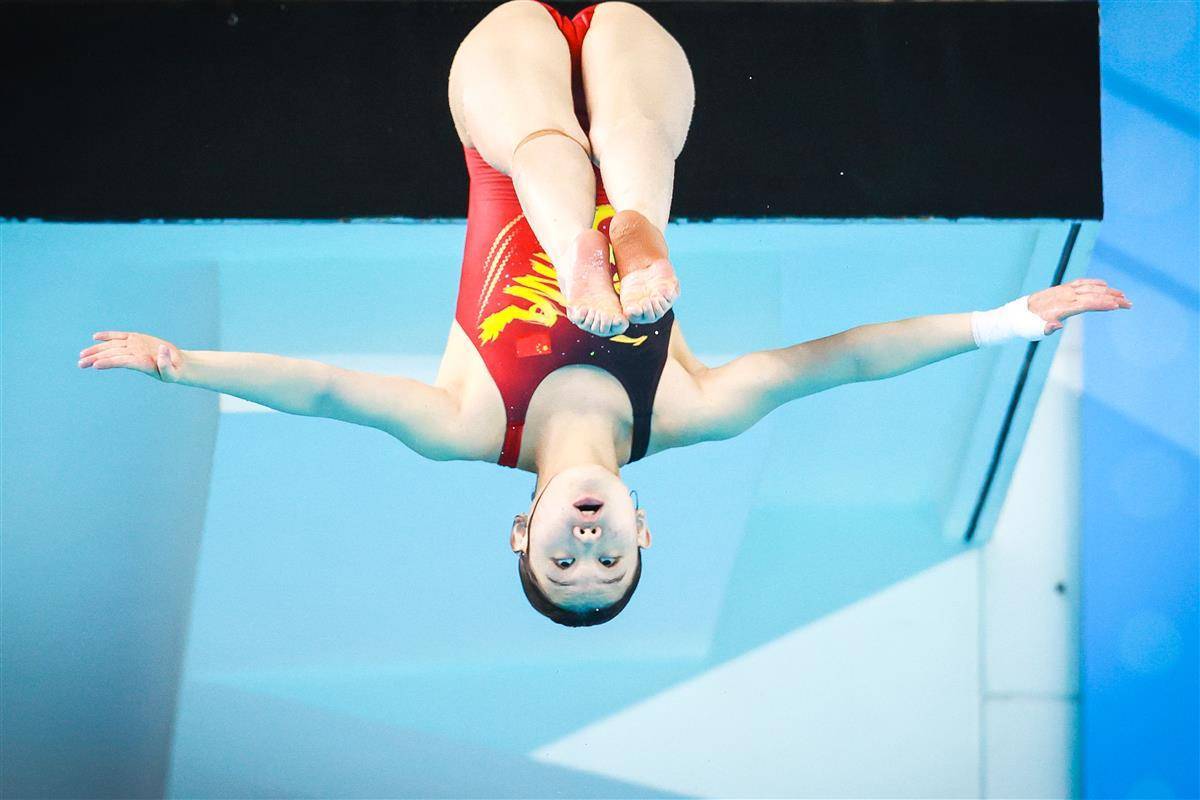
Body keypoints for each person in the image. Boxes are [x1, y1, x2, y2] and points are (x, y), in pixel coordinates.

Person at [76, 0, 1132, 627]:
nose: (588, 545)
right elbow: (845, 359)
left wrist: (185, 364)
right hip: (635, 90)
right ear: (643, 528)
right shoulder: (689, 408)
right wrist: (1004, 320)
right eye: (611, 560)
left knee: (548, 148)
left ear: (521, 531)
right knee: (632, 142)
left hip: (504, 105)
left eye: (561, 560)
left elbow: (320, 390)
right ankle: (626, 225)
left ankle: (599, 233)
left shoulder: (466, 424)